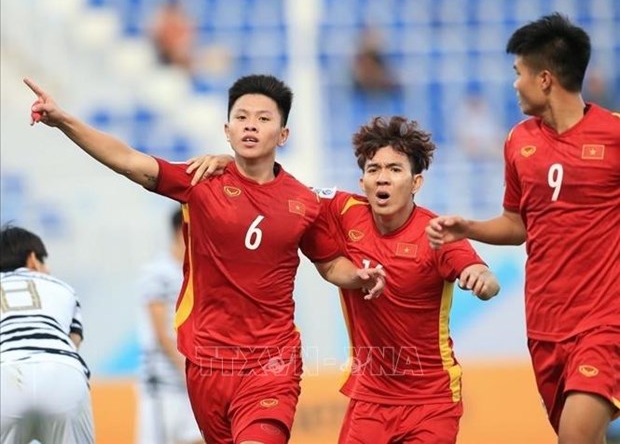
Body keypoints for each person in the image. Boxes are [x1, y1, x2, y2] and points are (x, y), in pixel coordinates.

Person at [25, 74, 385, 444]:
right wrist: (63, 120)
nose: (251, 125)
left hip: (272, 363)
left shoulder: (305, 203)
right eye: (242, 117)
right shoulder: (200, 179)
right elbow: (128, 160)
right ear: (227, 130)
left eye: (264, 119)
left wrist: (359, 276)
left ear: (283, 135)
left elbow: (328, 264)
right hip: (206, 362)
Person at [187, 115, 501, 444]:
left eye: (395, 170)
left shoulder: (436, 233)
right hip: (369, 400)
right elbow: (274, 189)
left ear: (416, 182)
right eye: (374, 170)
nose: (383, 179)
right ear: (362, 180)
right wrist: (234, 164)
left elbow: (482, 275)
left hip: (431, 401)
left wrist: (480, 279)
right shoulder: (342, 209)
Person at [426, 13, 620, 443]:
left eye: (519, 73)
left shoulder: (614, 135)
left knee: (576, 435)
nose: (515, 84)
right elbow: (518, 224)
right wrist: (470, 227)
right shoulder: (518, 141)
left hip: (605, 320)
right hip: (544, 323)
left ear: (545, 78)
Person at [0, 225, 93, 444]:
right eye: (44, 261)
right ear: (32, 259)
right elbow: (73, 342)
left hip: (5, 372)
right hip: (61, 373)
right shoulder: (63, 288)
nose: (48, 269)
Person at [136, 208, 203, 444]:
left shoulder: (201, 272)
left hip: (197, 382)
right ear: (181, 231)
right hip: (163, 384)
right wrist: (189, 369)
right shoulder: (158, 271)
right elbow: (161, 332)